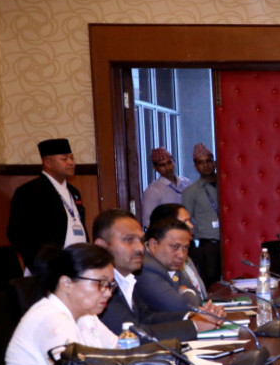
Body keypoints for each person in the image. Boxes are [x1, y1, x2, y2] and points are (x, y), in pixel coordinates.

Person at [93, 209, 220, 340]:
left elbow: (147, 318)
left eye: (140, 240)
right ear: (101, 246)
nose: (139, 248)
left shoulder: (127, 278)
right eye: (129, 240)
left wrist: (193, 317)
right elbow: (131, 336)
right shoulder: (98, 286)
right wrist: (195, 326)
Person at [7, 138, 88, 272]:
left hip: (78, 263)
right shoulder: (29, 191)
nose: (71, 162)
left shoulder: (74, 192)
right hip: (47, 268)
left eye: (72, 158)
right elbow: (17, 233)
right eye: (64, 159)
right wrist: (38, 264)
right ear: (48, 163)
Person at [134, 218, 211, 314]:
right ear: (153, 245)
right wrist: (186, 292)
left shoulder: (170, 262)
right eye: (175, 247)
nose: (181, 255)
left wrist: (184, 293)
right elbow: (179, 308)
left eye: (185, 248)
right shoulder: (145, 266)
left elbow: (198, 299)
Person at [181, 143, 221, 287]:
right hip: (208, 244)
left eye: (208, 161)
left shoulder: (227, 184)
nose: (206, 165)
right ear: (196, 167)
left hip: (230, 242)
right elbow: (186, 220)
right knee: (212, 283)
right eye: (201, 163)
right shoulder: (191, 191)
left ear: (214, 162)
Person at [141, 148, 191, 227]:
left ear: (174, 162)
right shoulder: (152, 191)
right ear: (155, 168)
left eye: (169, 163)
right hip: (168, 231)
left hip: (189, 228)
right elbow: (148, 222)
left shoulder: (186, 182)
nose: (167, 167)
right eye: (162, 165)